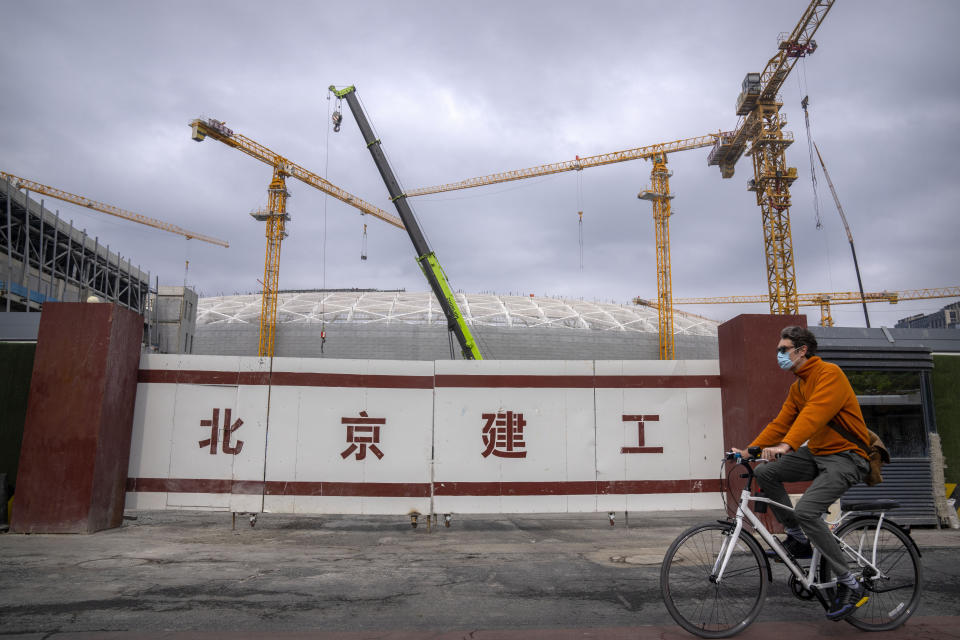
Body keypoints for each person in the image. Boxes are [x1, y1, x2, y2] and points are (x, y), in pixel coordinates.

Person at [732, 325, 872, 622]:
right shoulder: (798, 386)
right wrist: (748, 451)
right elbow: (781, 422)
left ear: (802, 350)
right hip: (819, 453)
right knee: (766, 472)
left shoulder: (829, 374)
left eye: (783, 350)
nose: (779, 355)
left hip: (847, 456)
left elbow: (814, 415)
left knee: (808, 510)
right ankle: (797, 538)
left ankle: (851, 584)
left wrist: (787, 445)